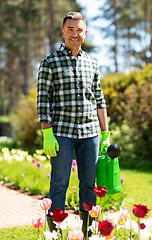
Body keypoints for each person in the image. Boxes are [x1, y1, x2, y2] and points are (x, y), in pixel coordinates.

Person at [37, 12, 110, 236]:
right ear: (63, 32)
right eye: (70, 29)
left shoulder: (92, 63)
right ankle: (55, 233)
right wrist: (47, 133)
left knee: (89, 184)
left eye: (79, 30)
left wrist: (105, 132)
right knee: (59, 184)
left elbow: (99, 99)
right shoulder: (50, 61)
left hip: (90, 133)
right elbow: (42, 100)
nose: (75, 34)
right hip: (61, 133)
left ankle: (87, 233)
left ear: (85, 33)